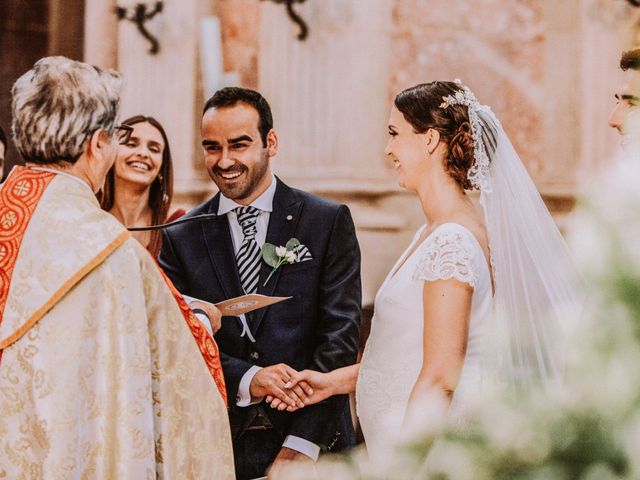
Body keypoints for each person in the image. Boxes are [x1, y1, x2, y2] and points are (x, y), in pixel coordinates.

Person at [284, 80, 581, 469]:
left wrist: (402, 468)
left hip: (427, 452)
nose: (388, 149)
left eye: (394, 134)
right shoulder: (432, 233)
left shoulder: (452, 241)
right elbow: (407, 353)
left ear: (429, 140)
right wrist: (332, 382)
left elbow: (441, 376)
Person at [0, 56, 234, 478]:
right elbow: (173, 371)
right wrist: (200, 318)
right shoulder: (111, 253)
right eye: (116, 137)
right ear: (96, 145)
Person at [158, 86, 362, 479]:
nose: (225, 160)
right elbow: (177, 341)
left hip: (316, 447)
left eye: (239, 144)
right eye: (212, 147)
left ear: (271, 142)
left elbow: (339, 336)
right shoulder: (180, 235)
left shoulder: (326, 221)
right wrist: (250, 378)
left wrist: (300, 448)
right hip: (218, 448)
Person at [100, 115, 184, 257]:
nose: (143, 153)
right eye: (131, 144)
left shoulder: (179, 224)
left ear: (161, 169)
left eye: (154, 149)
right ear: (111, 153)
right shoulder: (90, 220)